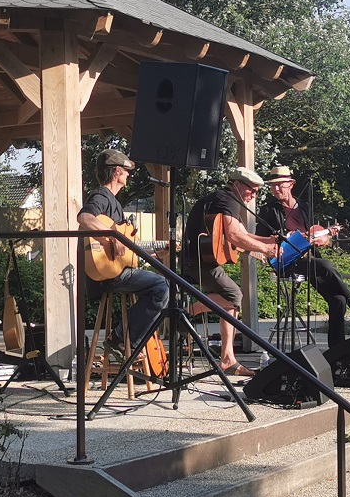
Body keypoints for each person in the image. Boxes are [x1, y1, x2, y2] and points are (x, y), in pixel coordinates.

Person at [182, 167, 281, 377]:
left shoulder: (224, 198)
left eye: (257, 192)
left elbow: (243, 233)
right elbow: (235, 236)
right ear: (237, 184)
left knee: (230, 302)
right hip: (198, 261)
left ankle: (228, 359)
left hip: (200, 260)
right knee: (234, 295)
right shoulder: (228, 200)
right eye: (251, 190)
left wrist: (270, 240)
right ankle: (188, 311)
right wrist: (267, 250)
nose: (253, 195)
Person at [78, 148, 170, 357]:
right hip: (106, 277)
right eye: (127, 171)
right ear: (117, 171)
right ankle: (121, 339)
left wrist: (155, 255)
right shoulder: (101, 196)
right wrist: (112, 235)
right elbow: (84, 218)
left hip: (115, 271)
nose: (129, 175)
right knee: (162, 286)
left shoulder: (115, 203)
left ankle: (124, 338)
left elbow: (125, 254)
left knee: (162, 283)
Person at [256, 164, 350, 350]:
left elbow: (316, 235)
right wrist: (278, 240)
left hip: (310, 259)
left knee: (337, 301)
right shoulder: (269, 210)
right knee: (326, 265)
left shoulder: (304, 206)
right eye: (273, 185)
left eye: (280, 184)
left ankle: (338, 351)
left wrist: (324, 237)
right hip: (287, 261)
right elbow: (259, 239)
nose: (276, 189)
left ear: (291, 184)